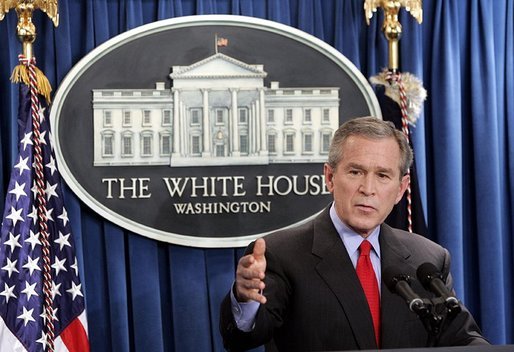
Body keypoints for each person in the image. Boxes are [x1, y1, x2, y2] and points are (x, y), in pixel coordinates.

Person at [219, 116, 488, 351]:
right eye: (356, 171)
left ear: (401, 188)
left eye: (383, 175)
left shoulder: (427, 258)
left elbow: (462, 338)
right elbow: (242, 339)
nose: (368, 189)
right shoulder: (281, 254)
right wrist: (245, 298)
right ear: (330, 177)